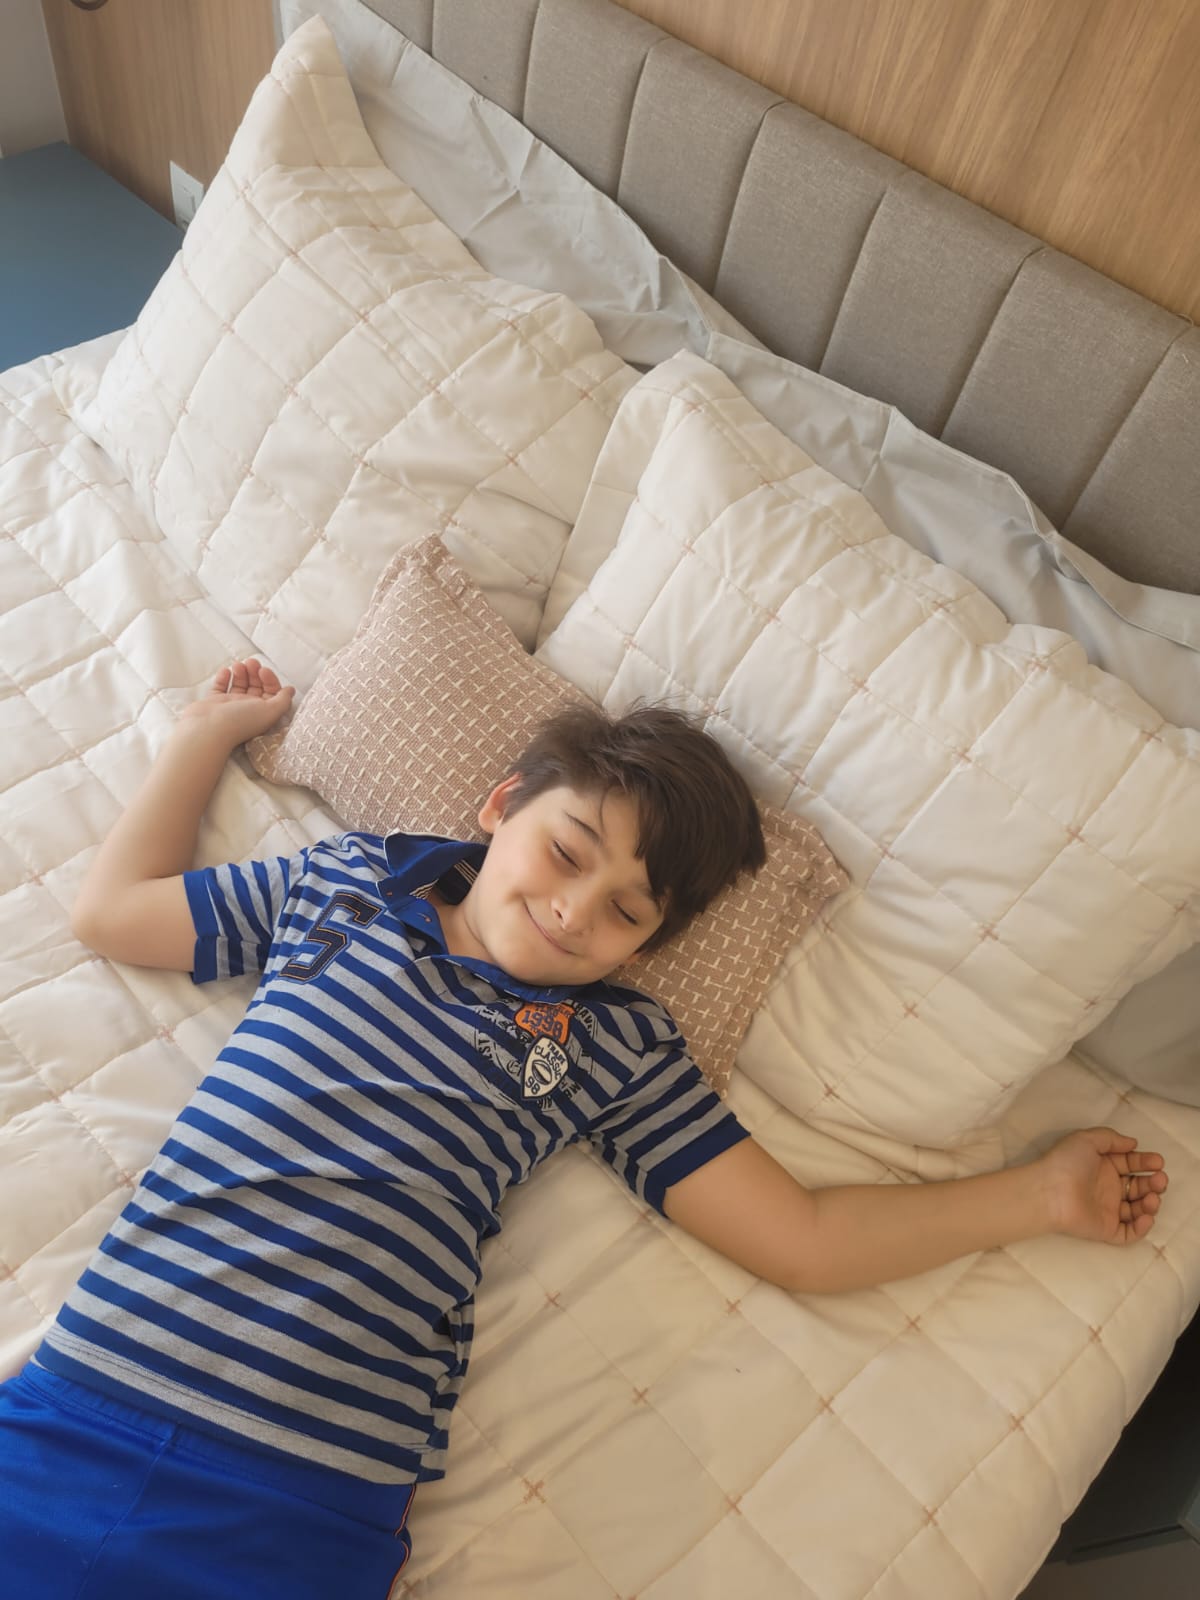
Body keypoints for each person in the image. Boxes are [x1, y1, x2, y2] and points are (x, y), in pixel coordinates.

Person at [0, 658, 1169, 1600]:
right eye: (565, 853)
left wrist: (1038, 1195)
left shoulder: (614, 1045)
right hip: (84, 1403)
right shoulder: (348, 885)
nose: (572, 911)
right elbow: (112, 912)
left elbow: (804, 1237)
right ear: (500, 807)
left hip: (305, 1491)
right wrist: (204, 735)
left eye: (625, 912)